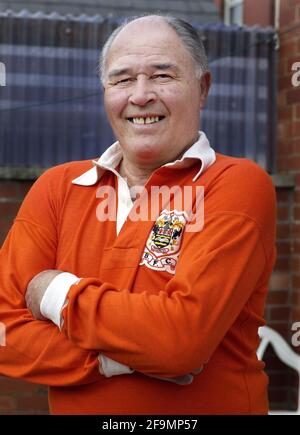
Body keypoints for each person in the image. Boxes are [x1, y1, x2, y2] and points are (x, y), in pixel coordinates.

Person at [0, 14, 276, 415]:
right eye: (122, 79)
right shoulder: (57, 188)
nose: (141, 95)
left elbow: (180, 341)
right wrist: (111, 362)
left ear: (202, 88)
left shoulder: (237, 185)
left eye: (162, 76)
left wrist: (55, 291)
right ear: (105, 92)